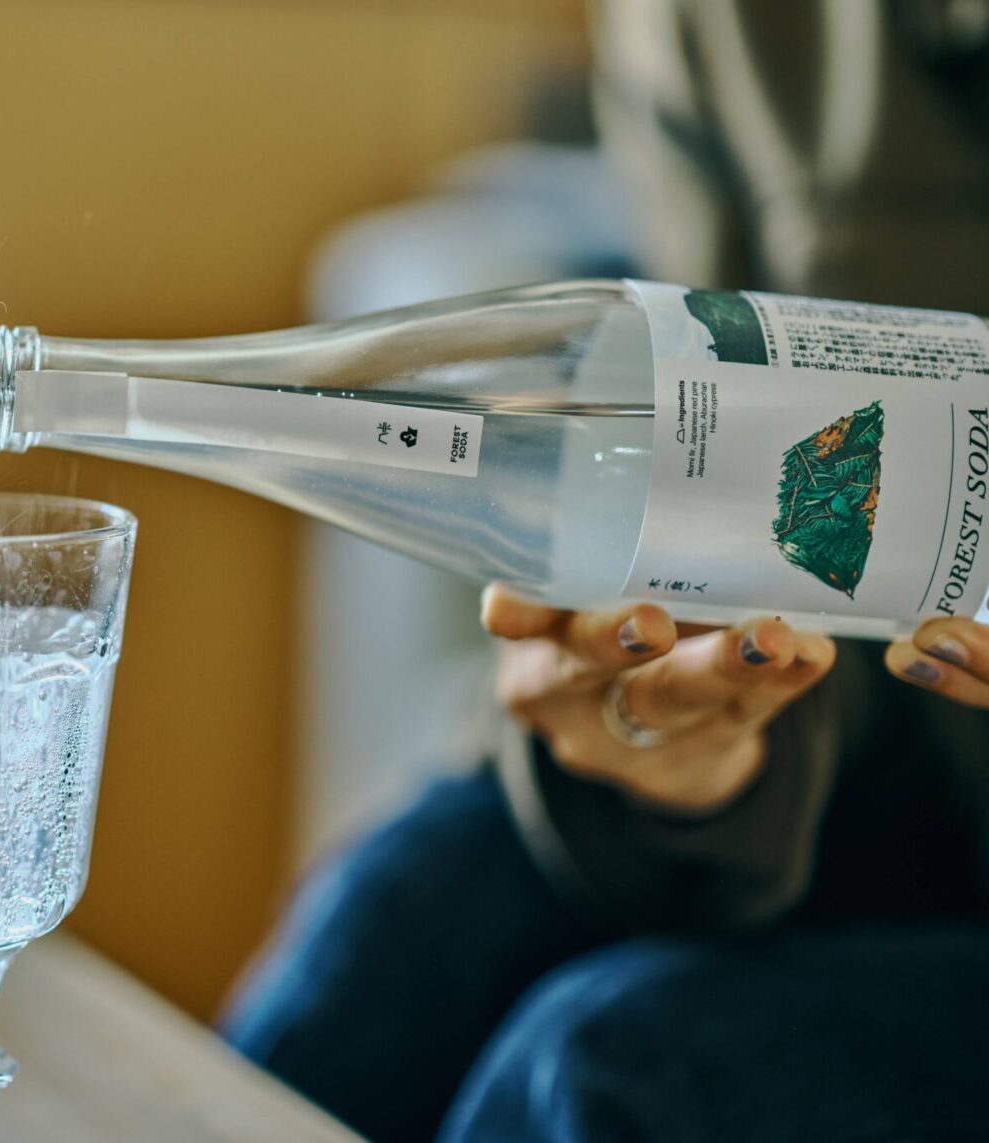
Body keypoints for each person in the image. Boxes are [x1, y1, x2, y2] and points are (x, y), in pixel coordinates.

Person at [221, 2, 989, 1140]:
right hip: (914, 779)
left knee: (611, 1070)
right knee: (401, 924)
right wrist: (695, 755)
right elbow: (767, 513)